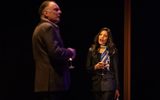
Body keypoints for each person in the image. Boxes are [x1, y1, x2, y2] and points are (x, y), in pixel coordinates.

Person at [32, 1, 76, 100]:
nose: (59, 12)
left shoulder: (40, 27)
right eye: (56, 10)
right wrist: (70, 52)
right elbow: (56, 52)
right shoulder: (47, 27)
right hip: (52, 83)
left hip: (47, 84)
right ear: (45, 13)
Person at [86, 27, 120, 100]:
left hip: (109, 85)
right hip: (96, 86)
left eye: (105, 36)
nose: (102, 37)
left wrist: (117, 88)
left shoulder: (113, 50)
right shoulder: (92, 50)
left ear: (108, 38)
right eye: (100, 34)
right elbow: (88, 69)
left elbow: (116, 70)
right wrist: (95, 67)